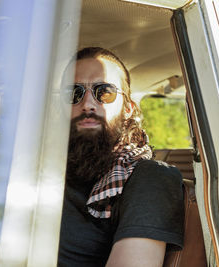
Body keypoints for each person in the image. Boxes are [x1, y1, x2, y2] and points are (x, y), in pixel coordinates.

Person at [58, 47, 185, 266]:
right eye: (74, 93)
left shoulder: (151, 177)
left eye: (104, 92)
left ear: (128, 109)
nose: (87, 104)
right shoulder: (44, 169)